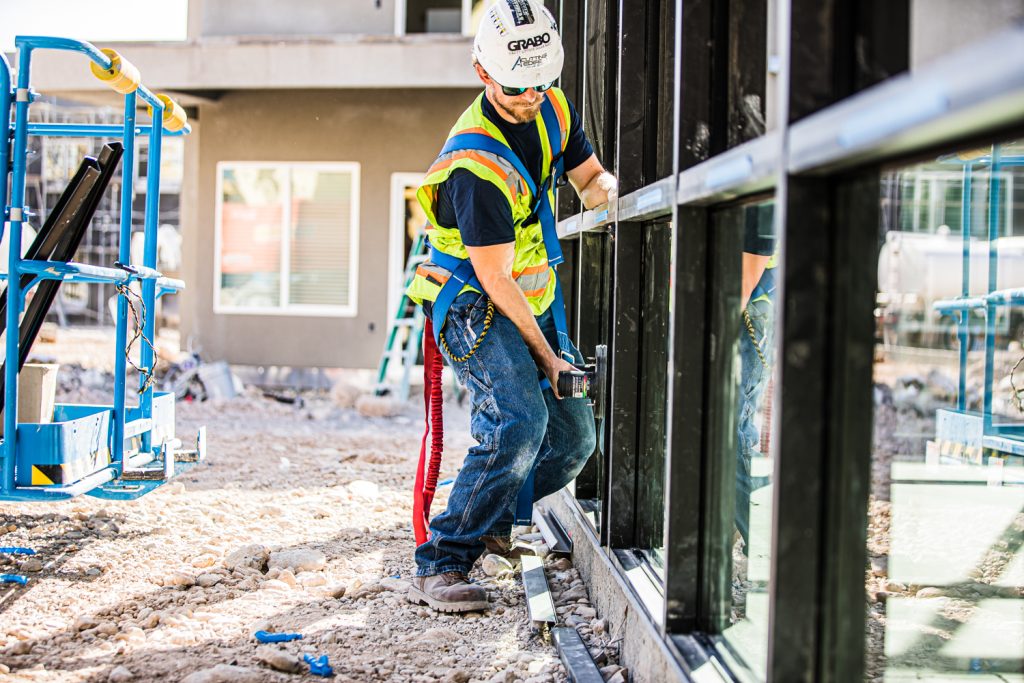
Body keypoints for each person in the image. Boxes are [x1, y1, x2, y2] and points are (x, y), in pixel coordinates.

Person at [404, 0, 617, 613]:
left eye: (543, 83)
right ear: (483, 74)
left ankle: (491, 514)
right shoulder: (475, 165)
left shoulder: (551, 105)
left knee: (574, 439)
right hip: (475, 299)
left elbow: (590, 179)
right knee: (519, 422)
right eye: (518, 88)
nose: (531, 98)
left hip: (530, 292)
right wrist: (549, 356)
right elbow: (495, 277)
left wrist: (616, 194)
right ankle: (443, 560)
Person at [736, 204, 777, 556]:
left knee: (735, 425)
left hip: (749, 305)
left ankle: (752, 538)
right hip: (749, 302)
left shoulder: (761, 199)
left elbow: (743, 282)